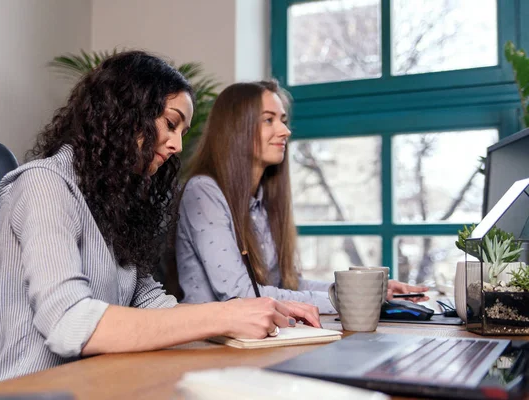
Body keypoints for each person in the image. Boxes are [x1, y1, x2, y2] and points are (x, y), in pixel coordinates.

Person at [0, 53, 321, 386]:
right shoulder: (43, 183)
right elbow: (68, 322)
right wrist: (224, 315)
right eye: (171, 124)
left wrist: (248, 311)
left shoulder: (111, 198)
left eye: (182, 132)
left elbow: (149, 300)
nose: (177, 146)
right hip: (27, 388)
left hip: (97, 383)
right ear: (126, 112)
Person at [173, 80, 429, 314]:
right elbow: (240, 294)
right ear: (236, 128)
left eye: (283, 120)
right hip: (209, 346)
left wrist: (367, 291)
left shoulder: (263, 202)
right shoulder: (203, 191)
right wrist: (351, 300)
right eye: (268, 120)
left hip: (256, 340)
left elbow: (289, 283)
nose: (285, 131)